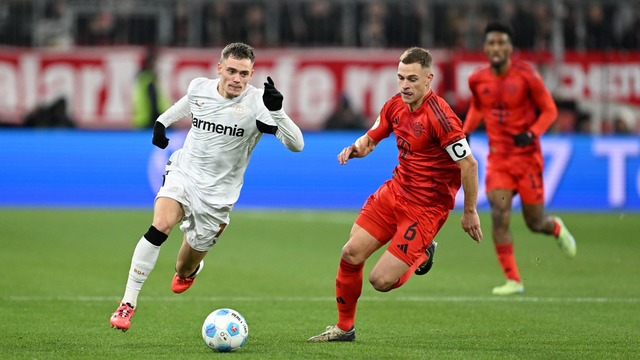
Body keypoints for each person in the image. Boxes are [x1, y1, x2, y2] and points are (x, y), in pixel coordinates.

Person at [110, 42, 304, 332]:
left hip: (218, 196)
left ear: (252, 75)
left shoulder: (259, 105)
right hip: (184, 174)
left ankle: (191, 270)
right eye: (231, 71)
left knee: (182, 269)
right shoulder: (200, 87)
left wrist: (278, 112)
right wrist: (162, 122)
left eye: (244, 73)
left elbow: (297, 145)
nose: (237, 79)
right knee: (160, 225)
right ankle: (127, 303)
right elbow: (186, 104)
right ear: (219, 69)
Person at [308, 47, 483, 342]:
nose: (405, 85)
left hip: (425, 208)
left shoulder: (442, 118)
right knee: (350, 253)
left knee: (381, 281)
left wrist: (470, 212)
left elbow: (469, 164)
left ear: (429, 79)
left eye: (412, 79)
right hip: (394, 193)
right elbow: (371, 138)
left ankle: (424, 251)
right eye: (401, 78)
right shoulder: (395, 106)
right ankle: (344, 328)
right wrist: (355, 149)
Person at [463, 22, 576, 296]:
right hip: (499, 160)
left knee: (534, 222)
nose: (497, 48)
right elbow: (479, 106)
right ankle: (514, 280)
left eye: (502, 42)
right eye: (492, 43)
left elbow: (549, 110)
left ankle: (556, 227)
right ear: (486, 48)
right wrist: (464, 130)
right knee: (499, 215)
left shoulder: (527, 76)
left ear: (510, 47)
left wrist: (532, 132)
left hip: (527, 160)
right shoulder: (477, 79)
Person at [132, 47, 172, 129]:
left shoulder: (143, 79)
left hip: (142, 120)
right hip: (148, 122)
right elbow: (153, 104)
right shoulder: (149, 81)